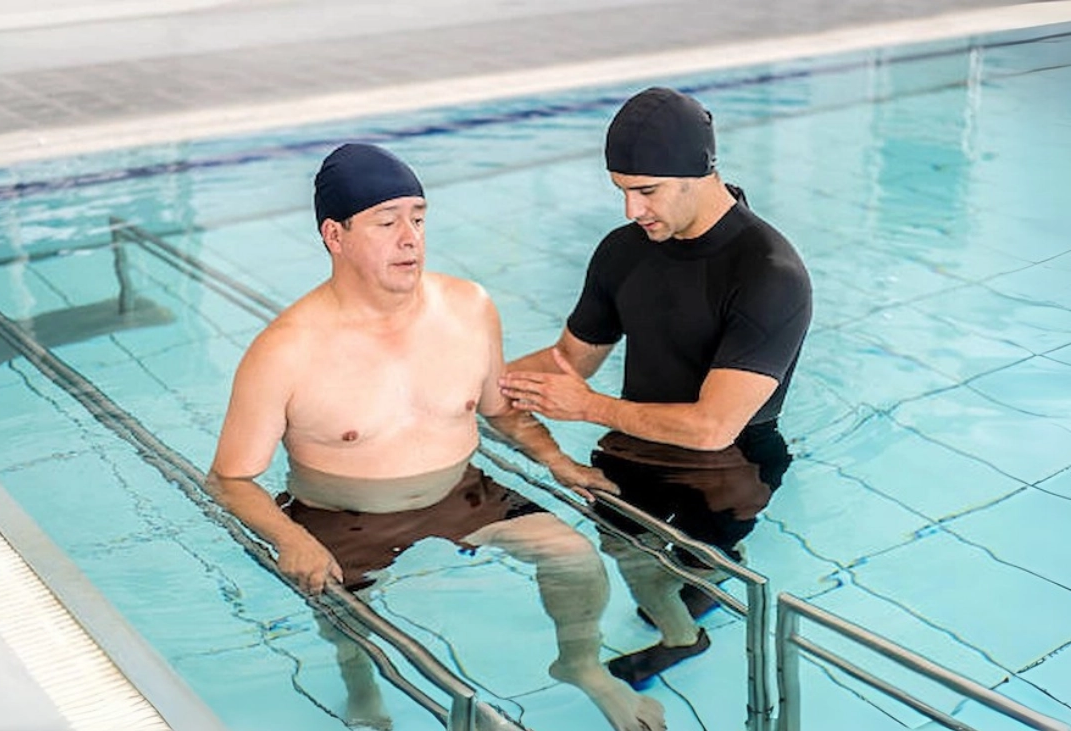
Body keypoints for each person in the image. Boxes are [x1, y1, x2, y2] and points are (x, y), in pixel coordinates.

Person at [204, 143, 665, 731]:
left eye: (418, 218)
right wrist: (291, 539)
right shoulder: (285, 351)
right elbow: (232, 478)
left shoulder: (468, 307)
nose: (410, 238)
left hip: (463, 494)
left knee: (576, 559)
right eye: (386, 221)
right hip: (343, 516)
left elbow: (500, 409)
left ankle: (581, 666)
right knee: (349, 616)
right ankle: (362, 691)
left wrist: (555, 461)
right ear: (334, 235)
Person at [500, 87, 812, 686]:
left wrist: (589, 409)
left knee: (675, 565)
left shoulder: (770, 274)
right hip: (636, 445)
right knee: (627, 552)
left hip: (730, 464)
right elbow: (570, 359)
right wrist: (480, 386)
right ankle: (690, 608)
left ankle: (697, 606)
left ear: (699, 173)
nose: (630, 211)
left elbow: (712, 426)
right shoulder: (625, 251)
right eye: (621, 190)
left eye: (645, 191)